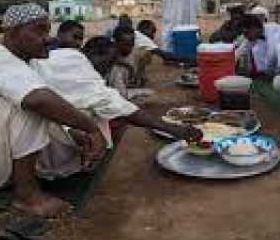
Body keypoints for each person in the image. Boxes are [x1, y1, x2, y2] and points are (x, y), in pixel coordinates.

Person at [0, 3, 107, 217]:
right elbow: (37, 102)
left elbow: (47, 115)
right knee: (30, 102)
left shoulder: (24, 65)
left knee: (51, 115)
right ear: (13, 33)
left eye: (48, 30)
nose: (48, 38)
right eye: (39, 30)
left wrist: (74, 136)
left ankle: (6, 183)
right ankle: (27, 196)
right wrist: (91, 128)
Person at [31, 33, 201, 161]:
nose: (110, 67)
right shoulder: (85, 71)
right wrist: (174, 129)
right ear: (95, 54)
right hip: (40, 135)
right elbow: (120, 107)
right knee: (95, 115)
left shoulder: (67, 54)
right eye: (109, 61)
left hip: (26, 113)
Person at [235, 14, 280, 79]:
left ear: (255, 28)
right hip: (272, 71)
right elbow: (239, 52)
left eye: (246, 33)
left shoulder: (278, 30)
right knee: (256, 50)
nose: (246, 37)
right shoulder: (252, 39)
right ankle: (268, 75)